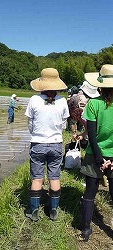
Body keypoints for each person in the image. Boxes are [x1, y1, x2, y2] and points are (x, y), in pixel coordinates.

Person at [25, 68, 69, 221]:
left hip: (38, 143)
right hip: (56, 144)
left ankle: (34, 210)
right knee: (54, 177)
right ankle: (54, 210)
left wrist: (36, 134)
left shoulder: (34, 100)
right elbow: (64, 124)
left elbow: (30, 123)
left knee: (37, 178)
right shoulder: (63, 101)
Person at [80, 64, 113, 242]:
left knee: (90, 194)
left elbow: (91, 135)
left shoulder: (93, 104)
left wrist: (100, 158)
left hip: (94, 156)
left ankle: (85, 230)